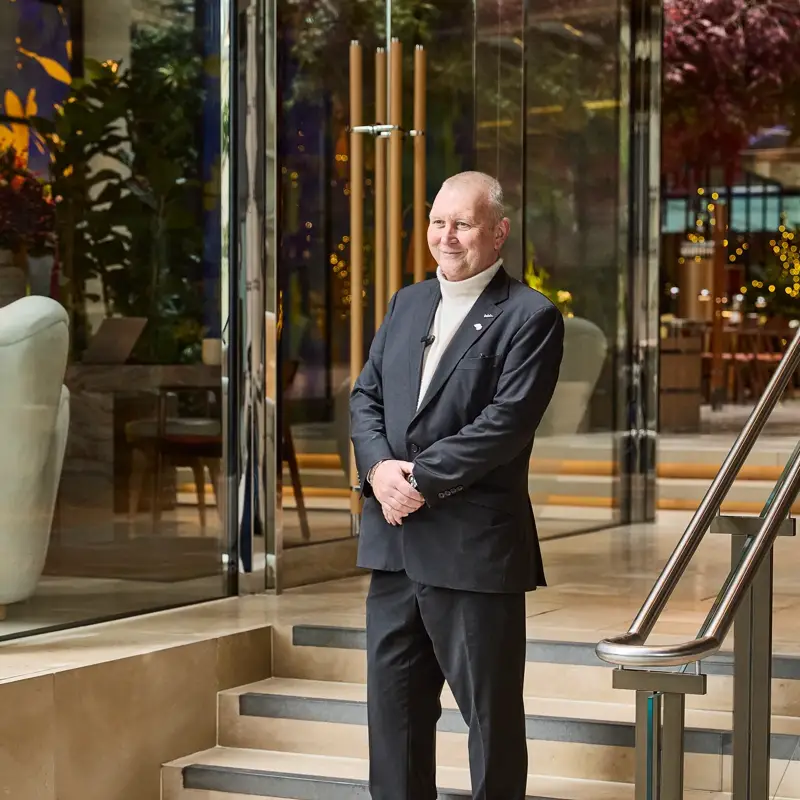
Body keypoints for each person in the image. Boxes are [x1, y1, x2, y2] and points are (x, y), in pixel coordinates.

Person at [350, 171, 565, 800]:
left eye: (463, 224)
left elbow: (505, 425)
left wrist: (417, 478)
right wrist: (378, 471)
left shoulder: (530, 316)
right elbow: (366, 396)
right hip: (393, 546)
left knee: (490, 721)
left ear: (498, 233)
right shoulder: (406, 302)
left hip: (474, 552)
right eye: (438, 222)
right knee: (394, 718)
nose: (447, 237)